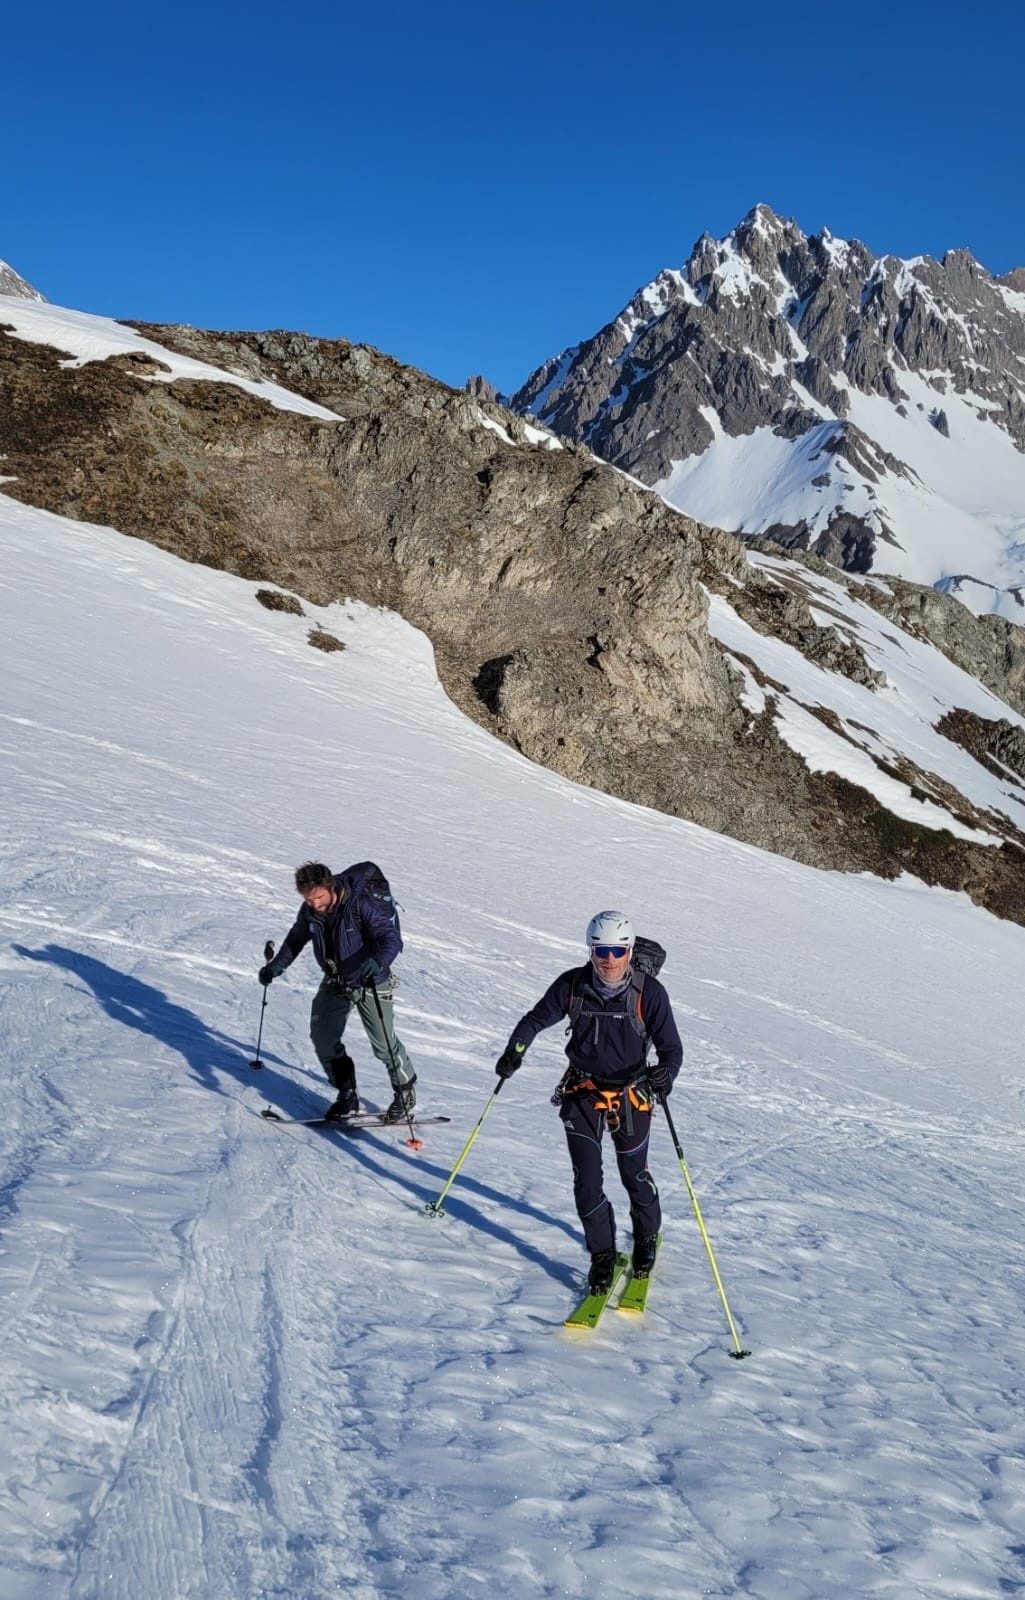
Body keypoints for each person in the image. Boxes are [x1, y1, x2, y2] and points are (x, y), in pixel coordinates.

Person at [494, 910, 682, 1291]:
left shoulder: (649, 994)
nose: (609, 959)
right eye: (601, 950)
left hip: (632, 1094)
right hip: (582, 1092)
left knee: (635, 1176)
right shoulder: (572, 985)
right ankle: (602, 1256)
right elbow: (535, 1020)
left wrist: (665, 1074)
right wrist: (515, 1051)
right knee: (587, 1182)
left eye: (616, 950)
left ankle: (646, 1238)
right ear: (590, 950)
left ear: (629, 951)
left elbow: (671, 1049)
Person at [258, 861, 417, 1122]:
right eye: (309, 900)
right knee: (322, 1037)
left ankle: (405, 1092)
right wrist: (275, 968)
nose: (315, 904)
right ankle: (347, 1094)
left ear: (330, 887)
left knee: (384, 1043)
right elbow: (296, 939)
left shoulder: (359, 905)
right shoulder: (310, 911)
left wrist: (378, 960)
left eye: (318, 897)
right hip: (336, 980)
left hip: (370, 981)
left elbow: (391, 939)